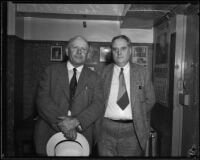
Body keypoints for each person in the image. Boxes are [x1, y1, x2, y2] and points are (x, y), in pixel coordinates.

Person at [34, 35, 104, 155]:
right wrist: (63, 124)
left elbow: (98, 104)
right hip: (50, 131)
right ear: (67, 51)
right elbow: (42, 99)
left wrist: (77, 121)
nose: (79, 51)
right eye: (75, 47)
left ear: (87, 54)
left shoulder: (95, 78)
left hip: (82, 133)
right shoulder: (51, 71)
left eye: (83, 49)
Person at [97, 35, 155, 156]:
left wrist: (137, 113)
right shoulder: (103, 72)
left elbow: (151, 100)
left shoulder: (142, 72)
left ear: (130, 51)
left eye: (123, 48)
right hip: (106, 131)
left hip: (132, 132)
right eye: (115, 49)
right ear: (111, 52)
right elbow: (97, 100)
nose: (119, 52)